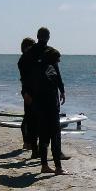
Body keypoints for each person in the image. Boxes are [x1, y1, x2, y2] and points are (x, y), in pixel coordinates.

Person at [36, 46, 68, 175]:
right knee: (55, 137)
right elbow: (50, 84)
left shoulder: (38, 68)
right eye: (57, 59)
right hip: (50, 108)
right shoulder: (50, 69)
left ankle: (44, 166)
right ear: (52, 59)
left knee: (43, 138)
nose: (59, 61)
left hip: (40, 108)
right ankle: (58, 168)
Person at [17, 37, 37, 152]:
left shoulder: (29, 58)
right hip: (27, 91)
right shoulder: (23, 60)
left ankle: (29, 142)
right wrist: (26, 93)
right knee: (28, 117)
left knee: (30, 117)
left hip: (31, 91)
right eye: (32, 45)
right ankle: (27, 142)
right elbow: (25, 79)